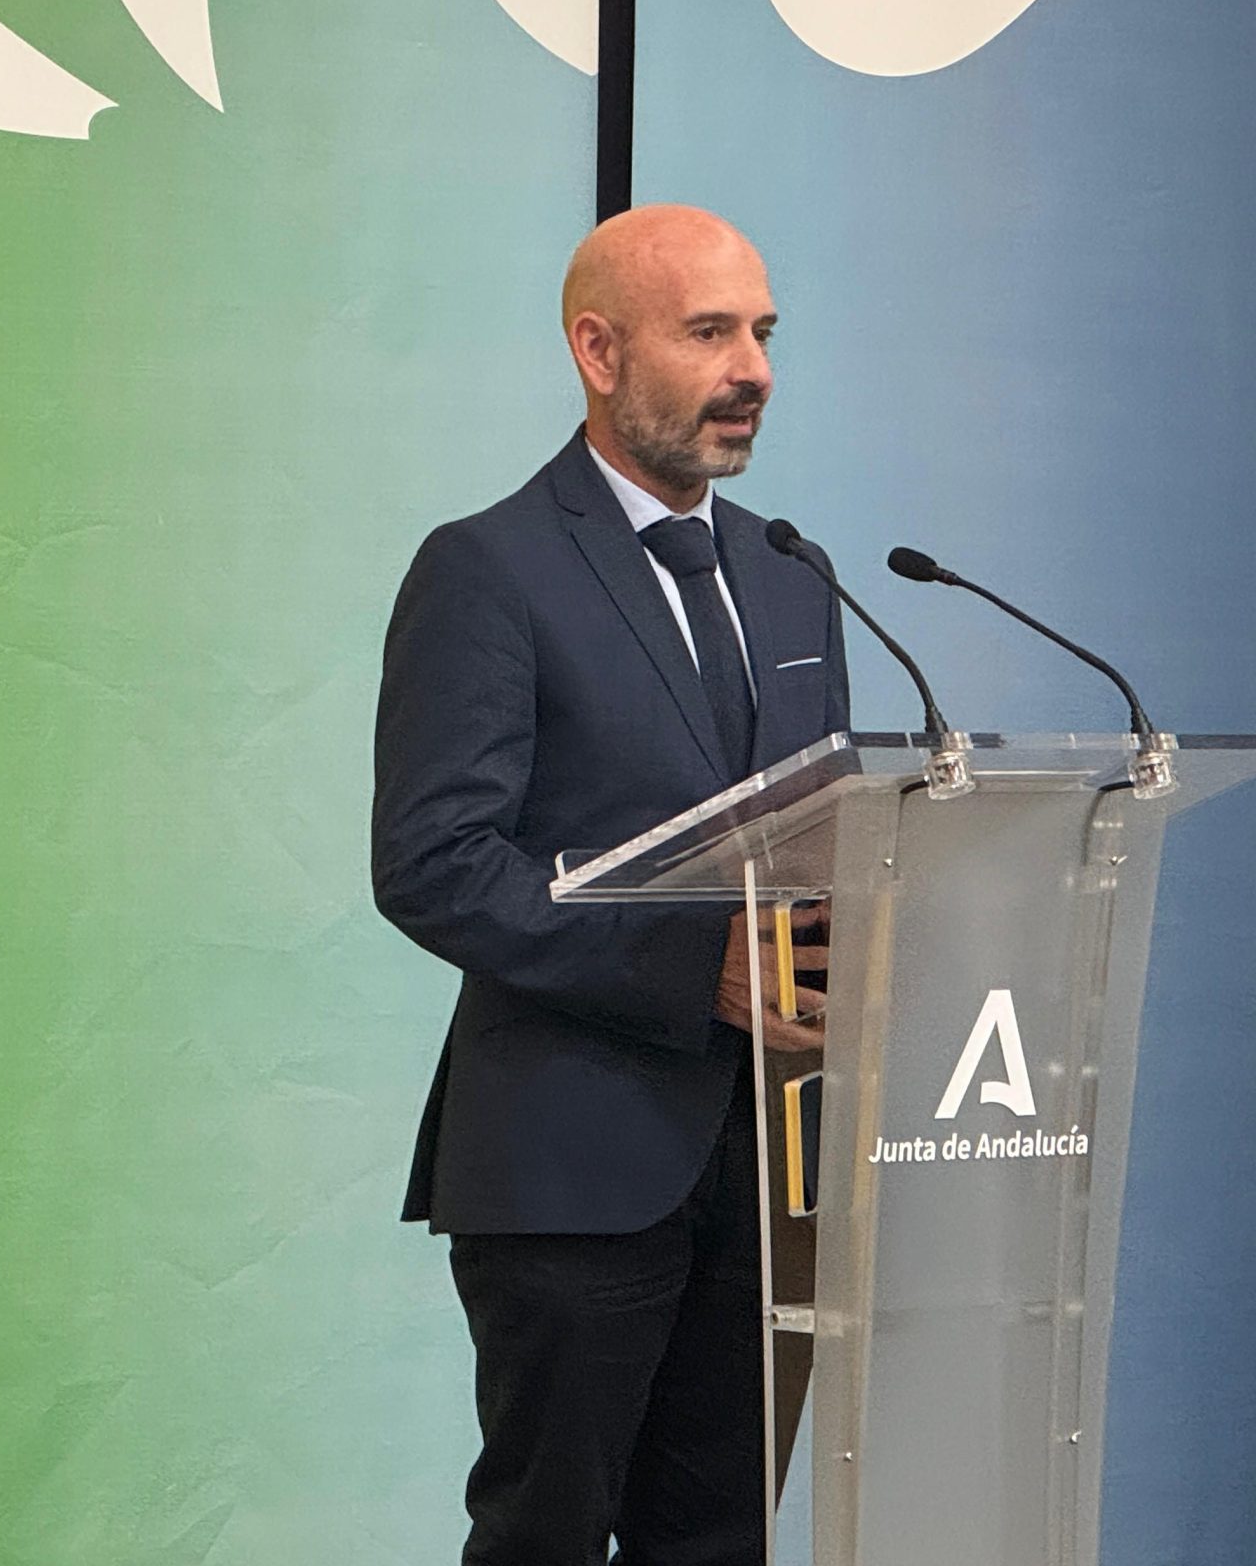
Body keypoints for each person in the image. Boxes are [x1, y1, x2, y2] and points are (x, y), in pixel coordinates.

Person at [372, 204, 852, 1564]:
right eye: (709, 333)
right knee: (547, 1538)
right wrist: (694, 971)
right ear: (599, 351)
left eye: (763, 332)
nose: (753, 368)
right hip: (570, 1162)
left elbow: (822, 837)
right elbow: (436, 863)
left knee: (720, 1541)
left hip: (769, 1165)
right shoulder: (488, 568)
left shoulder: (791, 576)